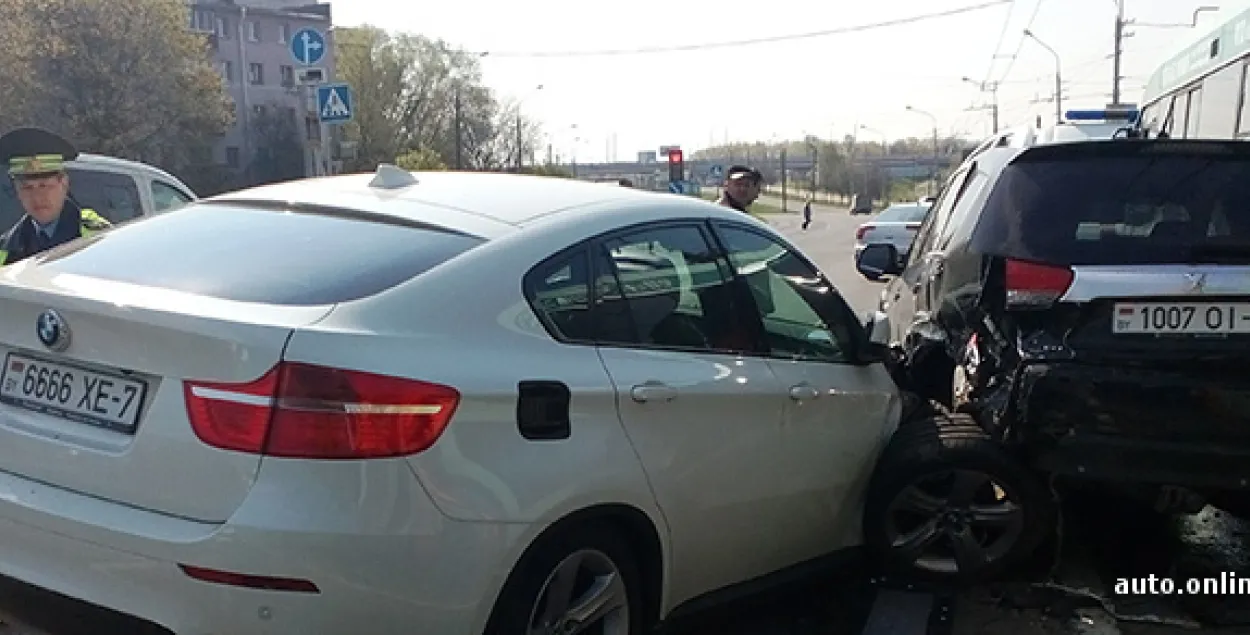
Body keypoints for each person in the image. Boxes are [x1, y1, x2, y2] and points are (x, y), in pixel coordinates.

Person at [0, 127, 111, 265]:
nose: (37, 197)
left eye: (44, 186)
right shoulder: (5, 249)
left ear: (64, 183)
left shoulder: (98, 236)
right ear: (17, 191)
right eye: (27, 188)